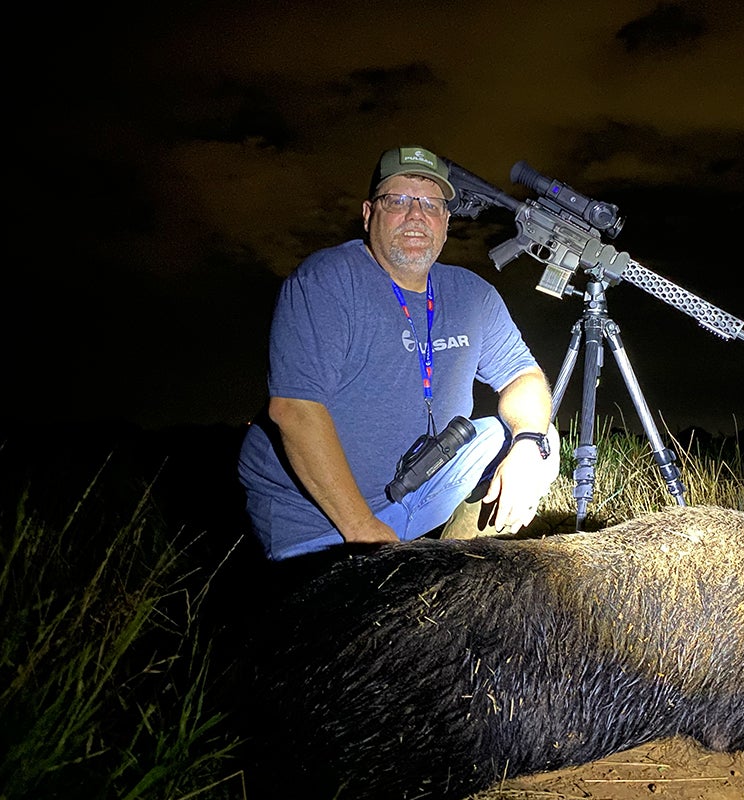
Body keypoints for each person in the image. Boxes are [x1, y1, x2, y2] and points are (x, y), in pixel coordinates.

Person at [237, 145, 560, 560]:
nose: (415, 215)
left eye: (430, 204)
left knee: (540, 437)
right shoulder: (327, 280)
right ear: (369, 214)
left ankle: (452, 565)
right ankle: (404, 569)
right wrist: (366, 532)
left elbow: (524, 377)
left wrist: (528, 444)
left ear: (446, 222)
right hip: (319, 516)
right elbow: (293, 409)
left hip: (423, 486)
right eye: (398, 201)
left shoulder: (472, 295)